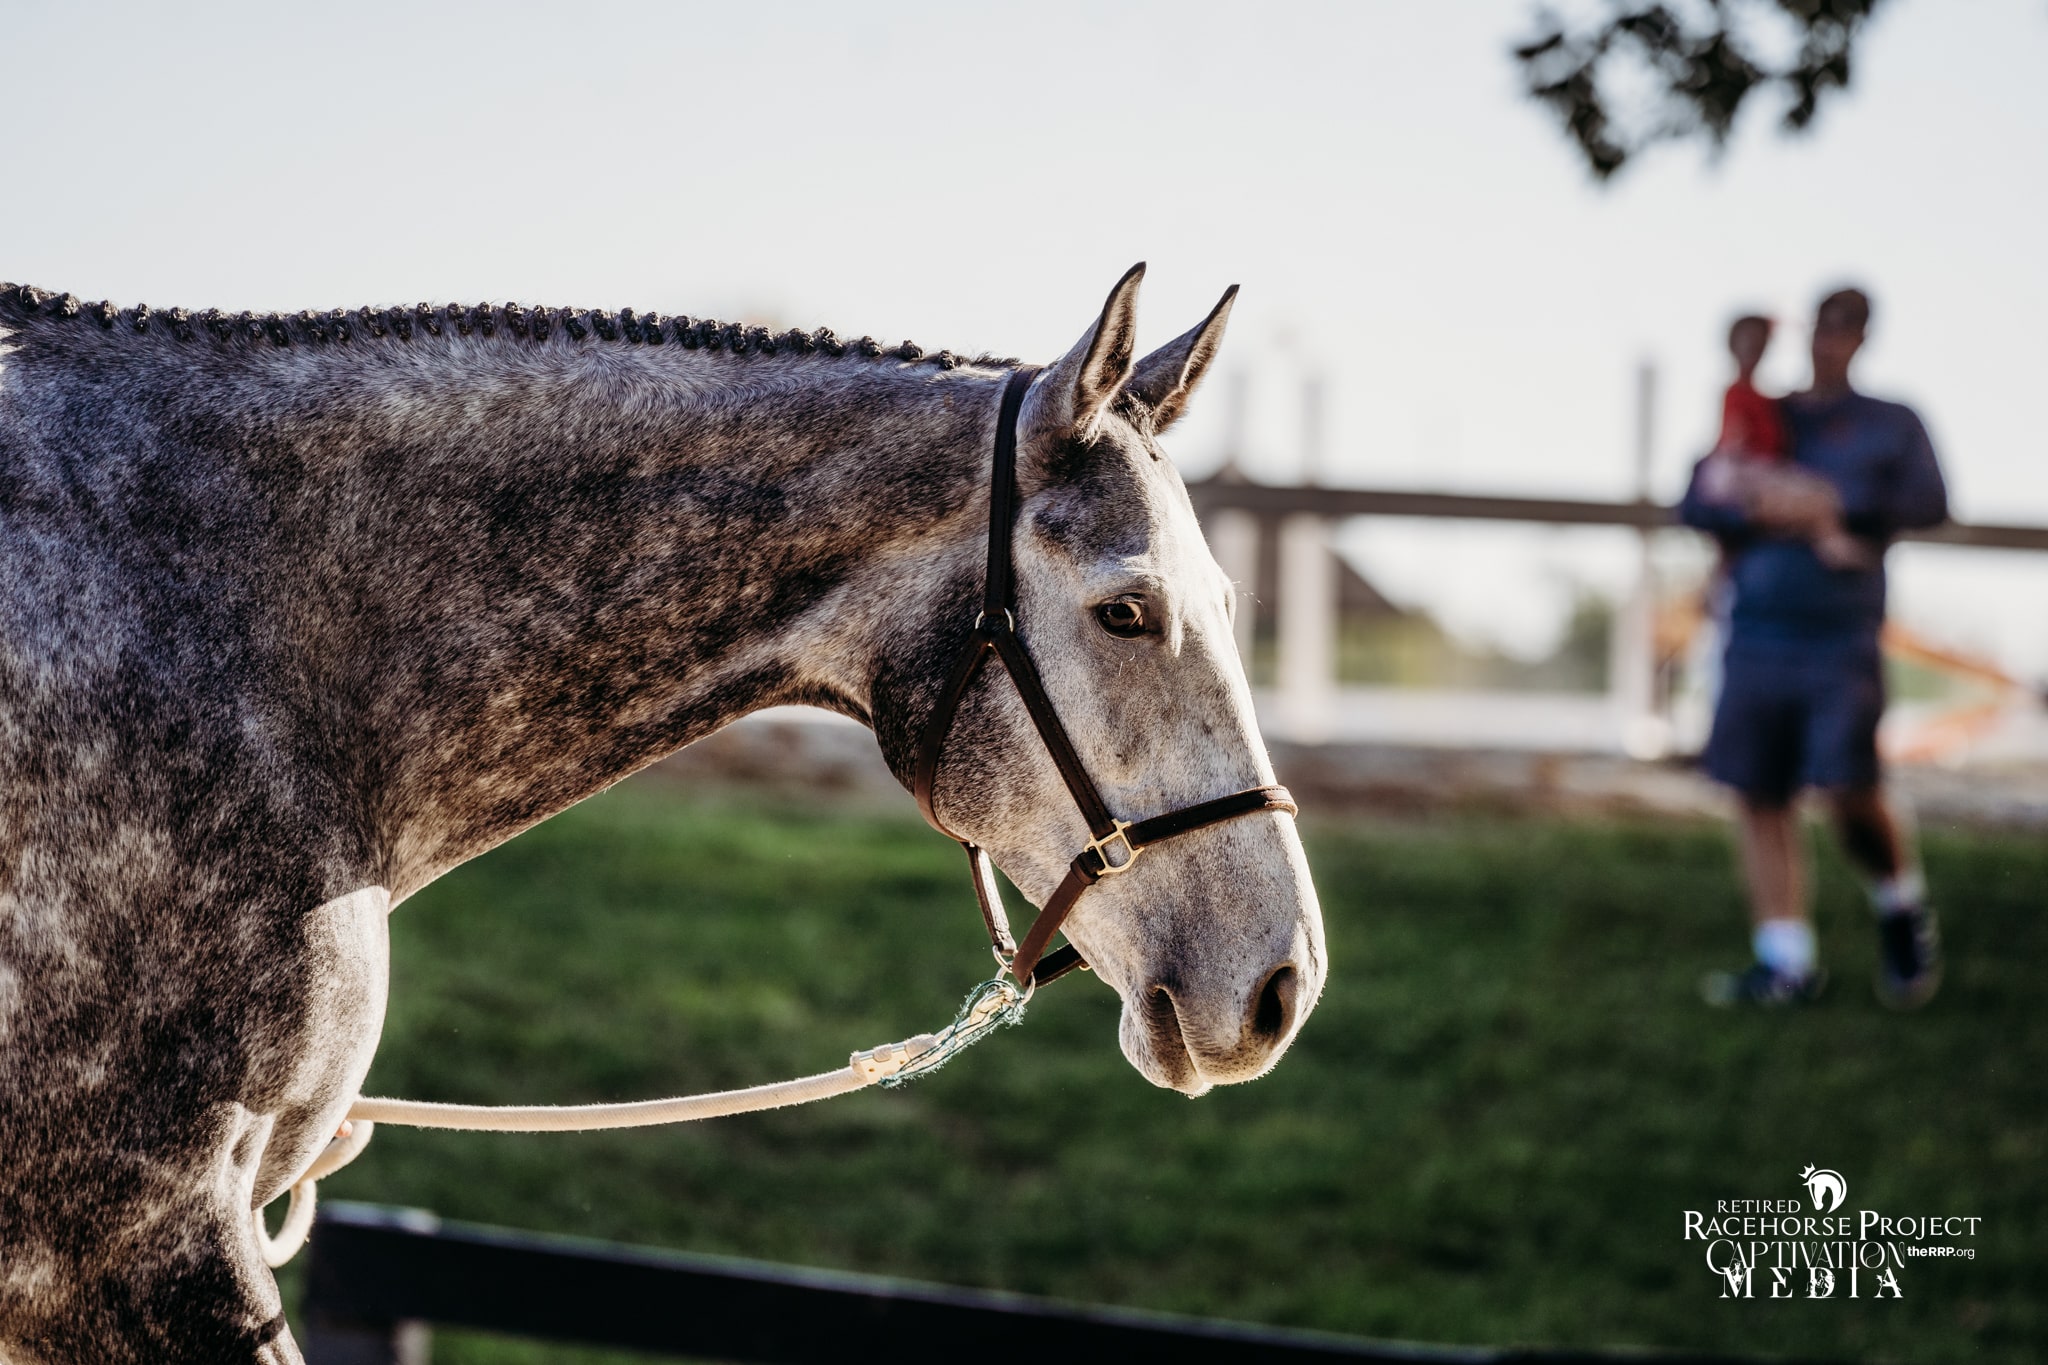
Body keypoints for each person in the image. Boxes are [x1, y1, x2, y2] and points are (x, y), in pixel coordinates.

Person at [1679, 287, 1948, 1009]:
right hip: (1757, 628)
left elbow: (1929, 502)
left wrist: (1834, 506)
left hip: (1840, 635)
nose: (1827, 342)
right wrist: (1764, 497)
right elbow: (1699, 496)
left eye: (1844, 329)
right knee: (1757, 789)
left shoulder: (1890, 425)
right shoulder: (1769, 415)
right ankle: (1785, 961)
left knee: (1847, 787)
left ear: (1862, 337)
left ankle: (1899, 902)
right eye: (1820, 327)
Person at [1697, 314, 1873, 571]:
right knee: (1815, 497)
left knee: (1818, 494)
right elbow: (1730, 447)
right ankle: (1832, 544)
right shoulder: (1737, 394)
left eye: (1759, 344)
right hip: (1747, 471)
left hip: (1759, 472)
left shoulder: (1771, 401)